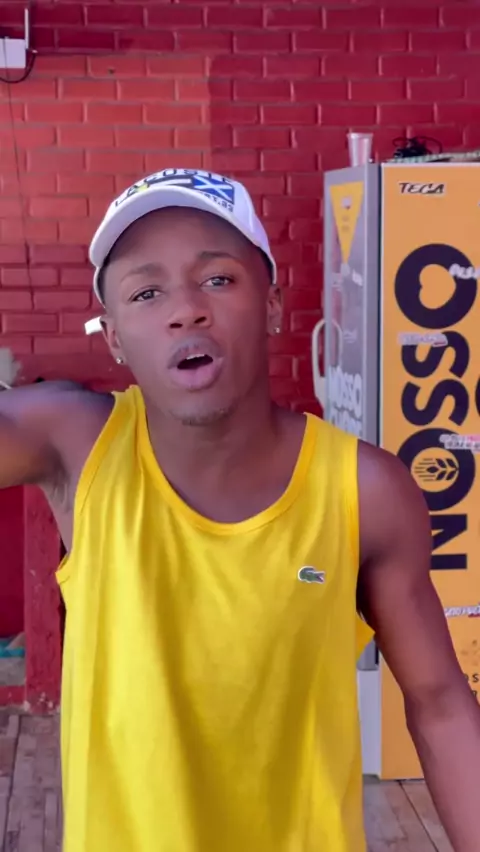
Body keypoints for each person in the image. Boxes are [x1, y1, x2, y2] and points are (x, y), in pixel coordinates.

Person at [0, 167, 478, 852]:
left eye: (218, 279)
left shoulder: (365, 490)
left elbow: (439, 706)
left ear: (274, 305)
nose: (186, 310)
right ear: (115, 339)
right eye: (145, 292)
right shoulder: (77, 442)